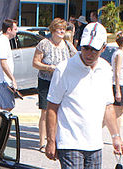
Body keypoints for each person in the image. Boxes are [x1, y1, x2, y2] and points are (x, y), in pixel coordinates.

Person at [45, 22, 123, 169]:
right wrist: (51, 141)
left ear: (103, 48)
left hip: (94, 144)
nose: (88, 53)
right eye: (85, 48)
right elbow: (52, 107)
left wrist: (116, 136)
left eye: (94, 50)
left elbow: (108, 107)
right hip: (70, 143)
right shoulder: (64, 69)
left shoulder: (105, 69)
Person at [32, 18, 76, 152]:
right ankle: (42, 142)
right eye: (59, 29)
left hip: (62, 82)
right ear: (53, 30)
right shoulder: (44, 44)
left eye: (64, 29)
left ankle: (57, 140)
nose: (62, 31)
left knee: (61, 112)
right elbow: (35, 63)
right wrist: (49, 67)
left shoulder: (68, 45)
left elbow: (76, 60)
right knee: (45, 111)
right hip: (46, 81)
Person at [0, 18, 18, 114]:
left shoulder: (3, 40)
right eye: (15, 29)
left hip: (0, 79)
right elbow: (3, 63)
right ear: (9, 30)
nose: (16, 32)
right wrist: (12, 79)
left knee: (2, 106)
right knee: (9, 105)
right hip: (3, 80)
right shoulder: (3, 42)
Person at [111, 30, 123, 147]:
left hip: (121, 84)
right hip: (119, 85)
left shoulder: (120, 53)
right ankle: (118, 137)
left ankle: (118, 136)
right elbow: (117, 72)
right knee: (117, 114)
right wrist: (118, 90)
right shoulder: (119, 54)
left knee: (117, 113)